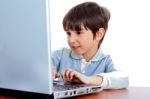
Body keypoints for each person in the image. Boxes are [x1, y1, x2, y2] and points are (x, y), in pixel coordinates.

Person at [52, 1, 129, 89]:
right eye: (68, 33)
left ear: (99, 34)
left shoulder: (105, 60)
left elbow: (124, 79)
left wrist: (88, 79)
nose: (71, 40)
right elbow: (38, 66)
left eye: (79, 32)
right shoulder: (60, 54)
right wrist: (47, 71)